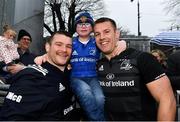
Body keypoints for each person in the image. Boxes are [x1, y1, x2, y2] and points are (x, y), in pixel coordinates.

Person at [94, 17, 176, 121]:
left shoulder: (143, 59)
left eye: (106, 32)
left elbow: (167, 100)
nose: (102, 37)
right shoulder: (97, 65)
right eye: (97, 34)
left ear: (116, 34)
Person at [0, 31, 77, 120]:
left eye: (69, 46)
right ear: (48, 47)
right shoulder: (32, 77)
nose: (64, 50)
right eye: (58, 44)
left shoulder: (70, 72)